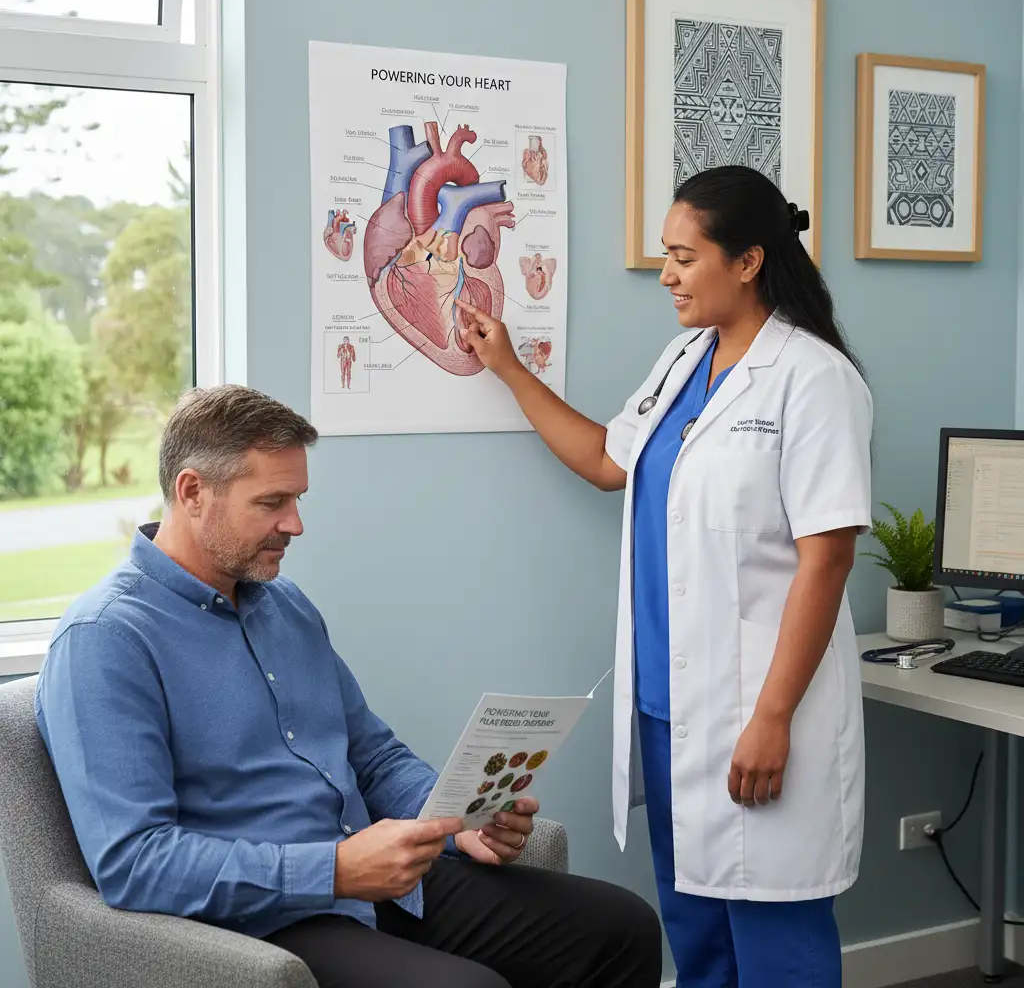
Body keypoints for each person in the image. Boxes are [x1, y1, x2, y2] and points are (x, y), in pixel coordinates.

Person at [35, 385, 662, 988]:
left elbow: (373, 757)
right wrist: (334, 870)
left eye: (297, 499)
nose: (296, 523)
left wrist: (455, 822)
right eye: (272, 502)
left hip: (377, 884)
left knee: (621, 927)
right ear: (192, 491)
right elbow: (135, 862)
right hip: (263, 924)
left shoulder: (286, 606)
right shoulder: (106, 639)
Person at [457, 164, 873, 988]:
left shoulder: (816, 379)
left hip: (757, 704)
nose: (666, 276)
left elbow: (827, 560)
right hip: (666, 705)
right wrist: (507, 367)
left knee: (776, 939)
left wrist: (772, 718)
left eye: (683, 258)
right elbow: (607, 462)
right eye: (664, 256)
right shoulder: (684, 359)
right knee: (699, 936)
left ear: (747, 262)